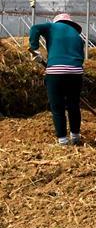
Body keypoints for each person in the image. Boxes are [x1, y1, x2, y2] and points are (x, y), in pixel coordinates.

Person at [28, 14, 85, 146]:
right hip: (76, 73)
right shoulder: (78, 37)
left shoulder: (52, 27)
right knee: (73, 105)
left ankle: (63, 140)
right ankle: (75, 136)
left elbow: (35, 28)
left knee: (57, 107)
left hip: (55, 72)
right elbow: (80, 57)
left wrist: (35, 47)